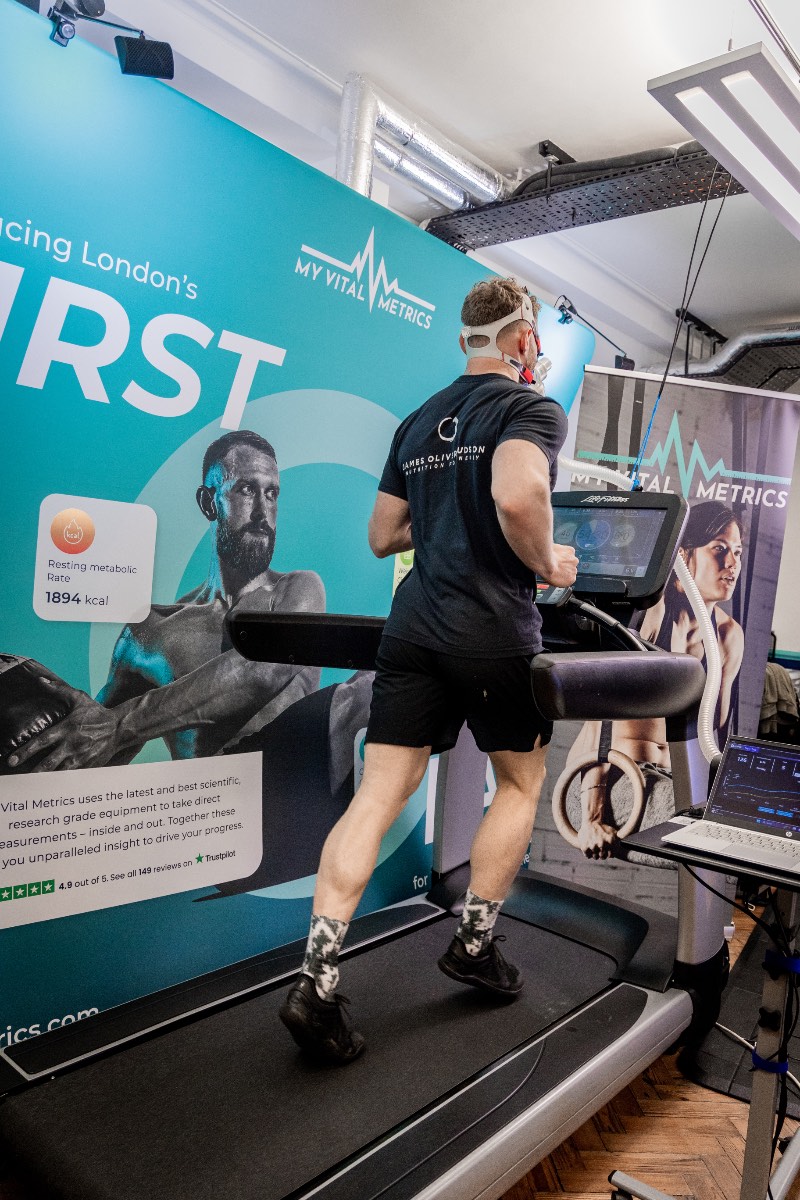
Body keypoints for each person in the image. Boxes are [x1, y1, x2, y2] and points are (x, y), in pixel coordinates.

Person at [278, 277, 579, 1064]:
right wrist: (551, 563)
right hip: (490, 630)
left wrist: (445, 505)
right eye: (536, 340)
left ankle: (315, 980)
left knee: (379, 793)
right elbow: (518, 496)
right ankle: (474, 945)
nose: (538, 354)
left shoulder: (419, 420)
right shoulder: (529, 407)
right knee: (518, 783)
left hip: (412, 627)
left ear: (463, 340)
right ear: (521, 341)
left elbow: (383, 535)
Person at [7, 430, 353, 778]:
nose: (264, 512)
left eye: (272, 493)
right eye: (247, 490)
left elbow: (264, 669)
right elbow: (89, 744)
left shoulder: (297, 590)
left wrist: (121, 724)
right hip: (202, 818)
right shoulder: (149, 633)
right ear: (208, 502)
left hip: (296, 810)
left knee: (367, 686)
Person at [569, 500, 745, 860]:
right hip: (606, 782)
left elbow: (712, 739)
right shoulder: (653, 612)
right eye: (719, 550)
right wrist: (592, 816)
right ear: (683, 554)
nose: (732, 564)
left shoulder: (728, 636)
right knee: (721, 836)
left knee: (758, 822)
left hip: (667, 782)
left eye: (738, 552)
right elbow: (597, 723)